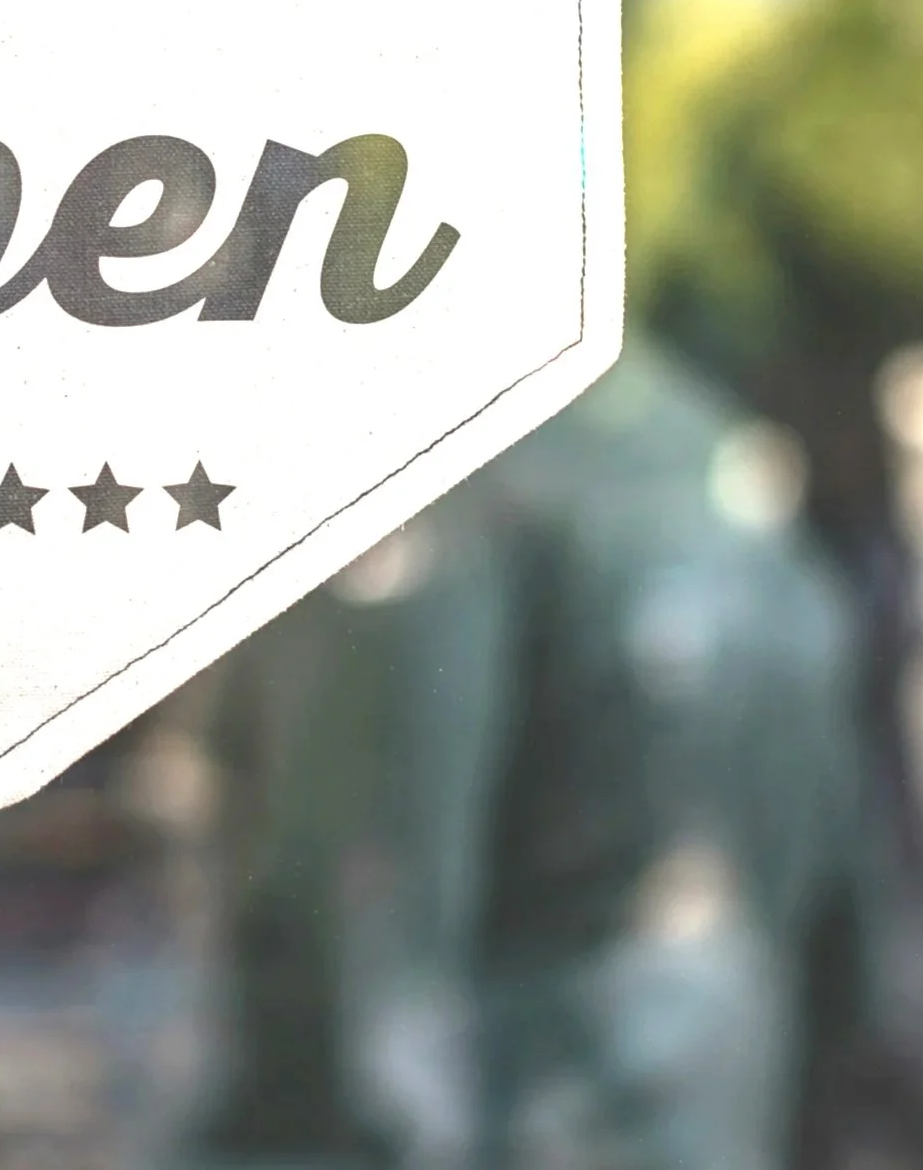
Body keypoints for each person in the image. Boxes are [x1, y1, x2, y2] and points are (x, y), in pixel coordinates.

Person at [186, 340, 886, 1170]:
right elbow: (829, 789)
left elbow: (381, 858)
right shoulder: (694, 434)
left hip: (546, 1060)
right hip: (722, 1028)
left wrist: (295, 1121)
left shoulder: (450, 448)